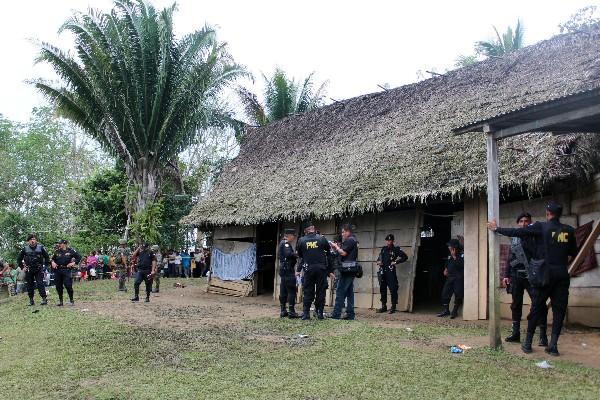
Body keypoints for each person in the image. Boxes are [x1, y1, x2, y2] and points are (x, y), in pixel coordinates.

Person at [488, 202, 577, 356]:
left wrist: (496, 229)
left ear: (548, 213)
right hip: (562, 276)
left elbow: (517, 232)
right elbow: (572, 253)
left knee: (536, 307)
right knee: (559, 310)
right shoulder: (569, 230)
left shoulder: (541, 227)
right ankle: (553, 346)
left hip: (543, 276)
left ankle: (528, 343)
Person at [501, 212, 549, 346]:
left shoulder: (535, 236)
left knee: (539, 304)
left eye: (526, 221)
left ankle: (543, 336)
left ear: (530, 223)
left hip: (532, 276)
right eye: (521, 221)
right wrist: (506, 276)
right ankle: (515, 334)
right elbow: (510, 259)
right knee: (516, 305)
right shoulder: (515, 238)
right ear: (518, 223)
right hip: (517, 276)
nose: (524, 223)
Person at [296, 221, 333, 320]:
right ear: (313, 228)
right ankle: (319, 313)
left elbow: (300, 256)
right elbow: (329, 254)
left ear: (305, 231)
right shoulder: (322, 239)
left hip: (308, 269)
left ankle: (306, 314)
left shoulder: (301, 240)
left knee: (308, 291)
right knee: (321, 291)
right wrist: (330, 270)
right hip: (321, 269)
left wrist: (298, 269)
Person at [330, 224, 359, 320]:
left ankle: (336, 314)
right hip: (350, 270)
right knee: (350, 292)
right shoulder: (353, 240)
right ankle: (350, 314)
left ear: (348, 232)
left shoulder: (350, 240)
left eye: (343, 232)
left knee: (340, 291)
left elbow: (343, 253)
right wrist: (336, 249)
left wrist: (336, 247)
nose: (342, 234)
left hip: (347, 270)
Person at [376, 234, 408, 314]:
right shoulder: (383, 249)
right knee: (382, 289)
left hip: (390, 271)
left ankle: (393, 307)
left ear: (393, 241)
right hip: (383, 271)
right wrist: (378, 262)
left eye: (390, 240)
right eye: (387, 240)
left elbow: (405, 257)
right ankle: (384, 306)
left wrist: (396, 262)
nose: (389, 242)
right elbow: (379, 258)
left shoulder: (396, 249)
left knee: (393, 289)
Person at [16, 234, 50, 306]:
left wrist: (45, 267)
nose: (32, 241)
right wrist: (22, 267)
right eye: (31, 239)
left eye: (34, 239)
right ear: (28, 241)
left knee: (40, 284)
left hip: (38, 268)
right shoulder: (24, 249)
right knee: (29, 285)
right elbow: (19, 259)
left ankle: (44, 299)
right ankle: (31, 300)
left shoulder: (41, 248)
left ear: (36, 240)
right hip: (29, 269)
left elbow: (47, 257)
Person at [437, 239, 464, 319]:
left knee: (458, 294)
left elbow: (461, 265)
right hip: (450, 277)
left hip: (458, 278)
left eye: (450, 246)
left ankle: (454, 311)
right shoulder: (450, 255)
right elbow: (448, 262)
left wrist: (454, 256)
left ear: (454, 247)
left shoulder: (461, 254)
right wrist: (446, 269)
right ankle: (446, 310)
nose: (448, 247)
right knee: (445, 293)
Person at [51, 239, 82, 306]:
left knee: (68, 285)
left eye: (60, 243)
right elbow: (52, 259)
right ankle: (61, 301)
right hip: (58, 270)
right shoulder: (56, 251)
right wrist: (53, 262)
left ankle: (71, 300)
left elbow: (79, 257)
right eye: (58, 243)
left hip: (66, 270)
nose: (58, 244)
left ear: (64, 244)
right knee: (58, 286)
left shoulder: (71, 251)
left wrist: (74, 263)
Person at [278, 228, 299, 318]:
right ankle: (291, 311)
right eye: (293, 236)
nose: (294, 238)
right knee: (291, 290)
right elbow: (288, 254)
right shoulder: (285, 243)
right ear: (289, 236)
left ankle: (283, 310)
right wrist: (297, 254)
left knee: (283, 289)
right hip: (288, 270)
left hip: (284, 270)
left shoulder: (283, 243)